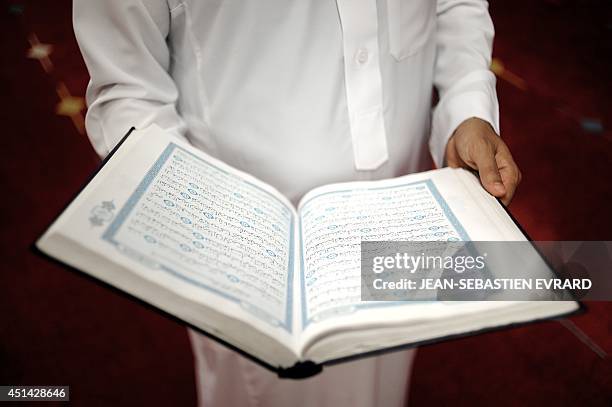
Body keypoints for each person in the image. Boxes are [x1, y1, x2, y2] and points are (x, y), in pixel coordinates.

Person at [73, 0, 521, 405]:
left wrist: (467, 109)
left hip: (401, 208)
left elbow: (453, 6)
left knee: (384, 382)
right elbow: (129, 91)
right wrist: (198, 233)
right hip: (243, 254)